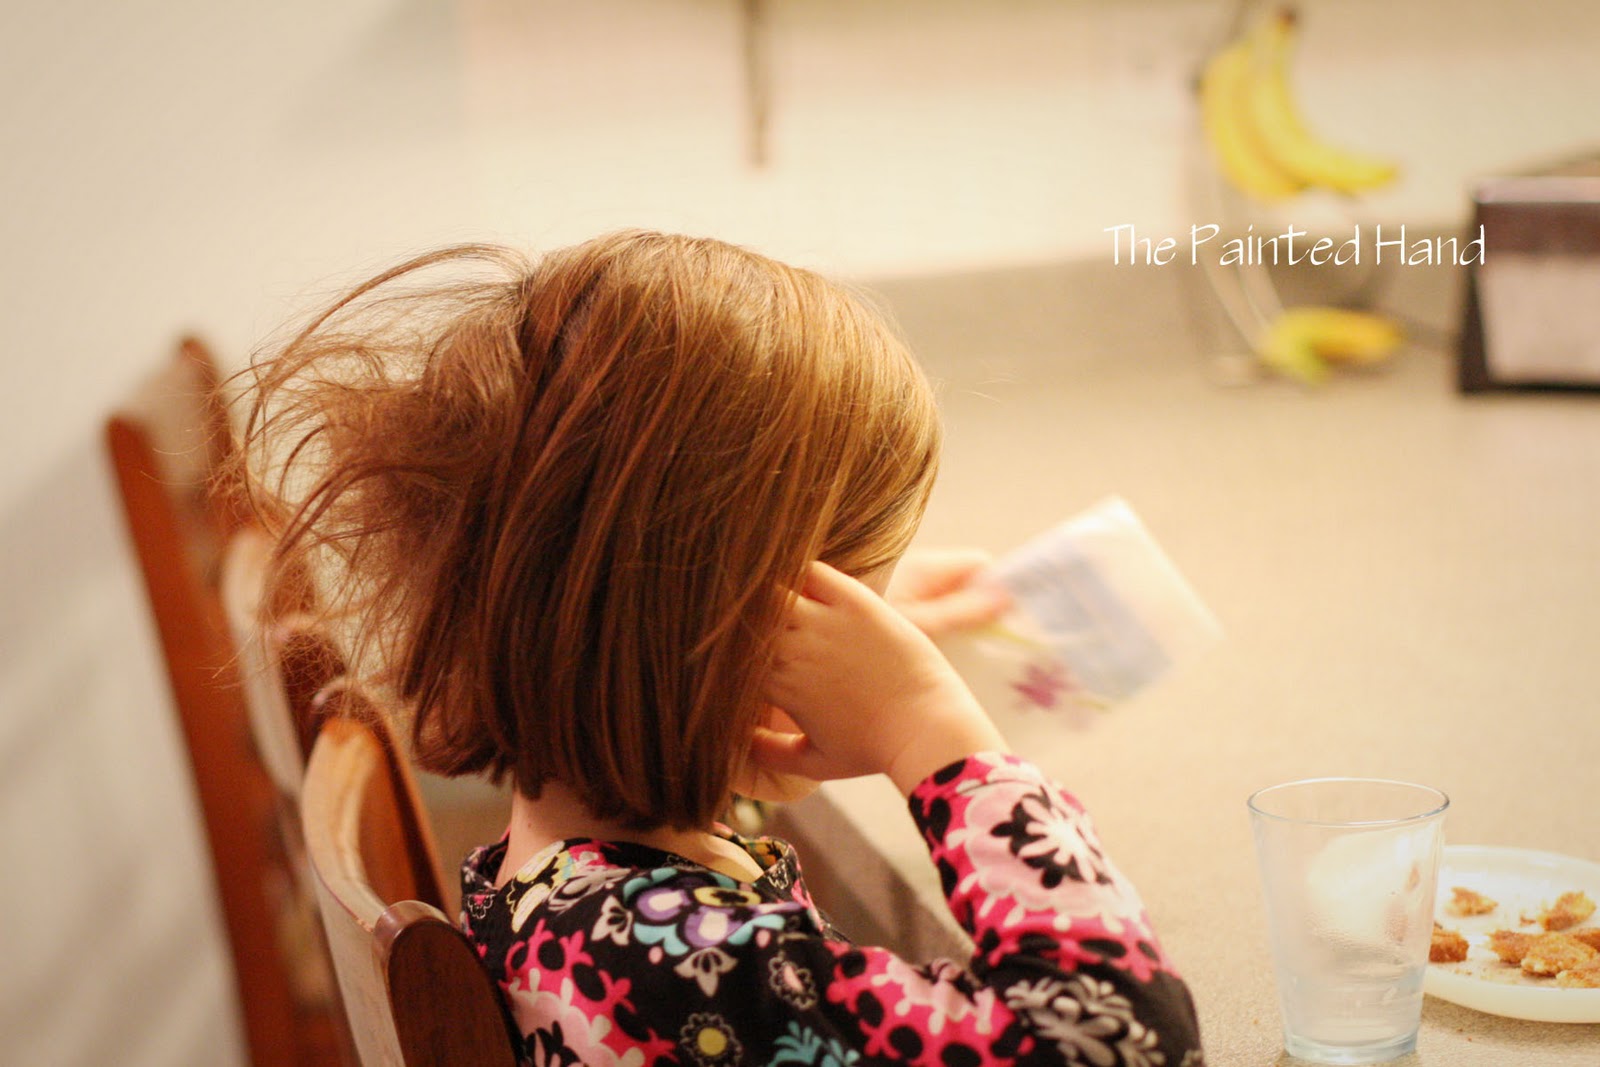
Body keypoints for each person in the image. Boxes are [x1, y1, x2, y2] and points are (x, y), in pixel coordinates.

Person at [243, 231, 1204, 1066]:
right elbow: (1123, 1037)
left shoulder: (571, 895)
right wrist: (931, 729)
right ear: (725, 634)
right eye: (840, 592)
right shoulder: (680, 967)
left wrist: (803, 661)